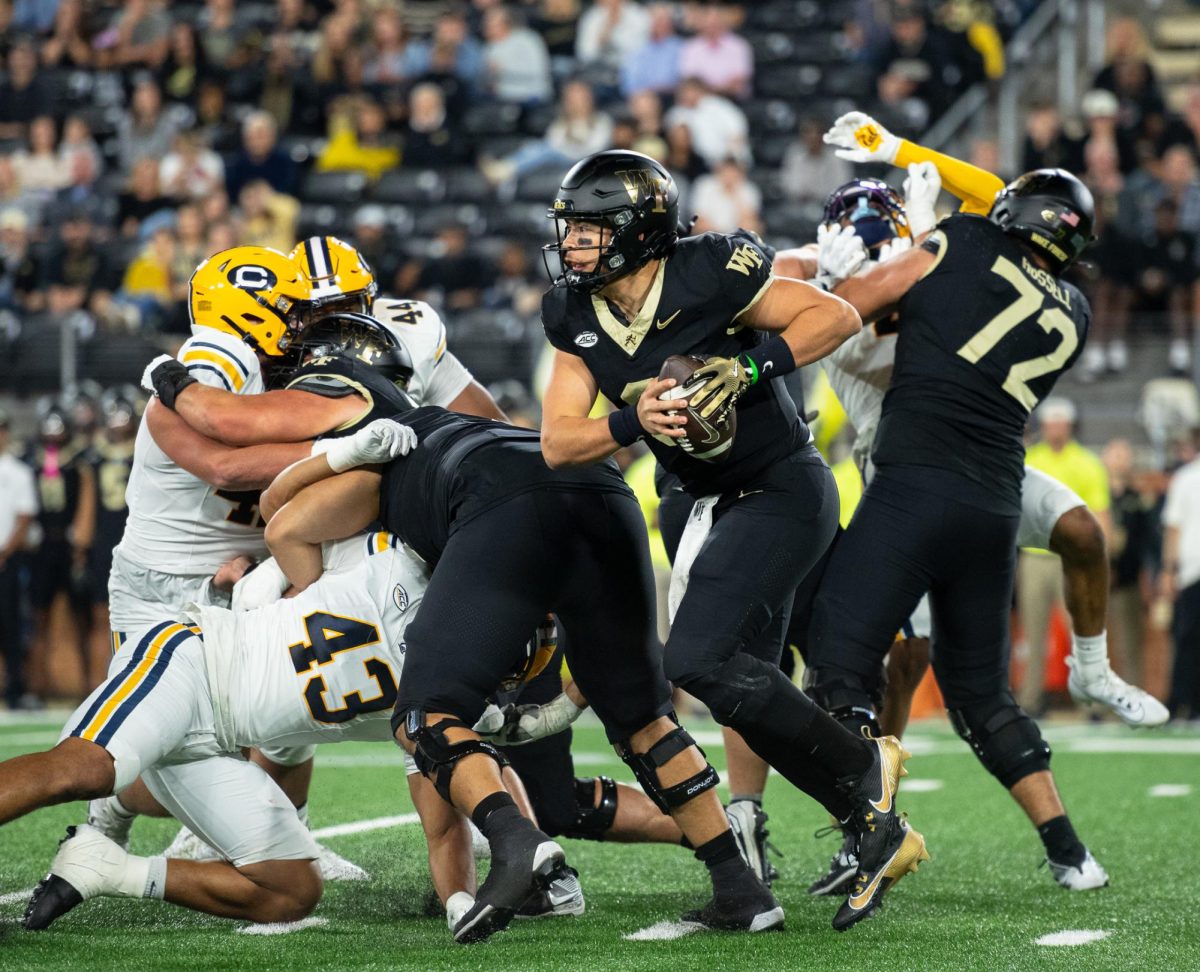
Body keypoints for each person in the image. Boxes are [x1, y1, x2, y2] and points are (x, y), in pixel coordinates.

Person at [537, 149, 927, 931]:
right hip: (709, 499)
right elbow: (557, 440)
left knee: (696, 660)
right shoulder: (575, 314)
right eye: (570, 228)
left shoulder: (709, 269)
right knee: (741, 690)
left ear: (639, 233)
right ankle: (869, 824)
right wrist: (630, 421)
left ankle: (861, 770)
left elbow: (835, 315)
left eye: (589, 228)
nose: (573, 244)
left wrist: (749, 371)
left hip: (784, 486)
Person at [257, 398, 785, 943]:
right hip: (604, 495)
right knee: (646, 720)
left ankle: (515, 844)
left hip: (506, 507)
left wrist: (313, 593)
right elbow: (581, 657)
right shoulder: (465, 430)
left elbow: (283, 520)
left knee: (423, 715)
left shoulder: (374, 464)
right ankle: (740, 887)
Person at [812, 109, 1108, 893]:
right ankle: (1072, 854)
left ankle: (871, 834)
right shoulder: (1075, 311)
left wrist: (831, 284)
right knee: (981, 694)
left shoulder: (963, 245)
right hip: (994, 500)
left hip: (912, 481)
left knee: (840, 663)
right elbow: (982, 220)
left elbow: (863, 314)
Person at [11, 516, 428, 931]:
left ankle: (105, 867)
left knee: (292, 890)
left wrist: (461, 899)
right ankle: (111, 797)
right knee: (88, 768)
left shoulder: (461, 691)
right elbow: (273, 550)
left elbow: (438, 800)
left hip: (228, 740)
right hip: (191, 666)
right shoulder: (387, 556)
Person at [1021, 398, 1112, 716]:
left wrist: (1102, 557)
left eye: (1061, 423)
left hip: (1071, 558)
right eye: (1051, 422)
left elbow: (1101, 513)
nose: (1056, 428)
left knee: (1083, 630)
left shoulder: (1087, 463)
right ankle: (1031, 700)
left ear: (1070, 426)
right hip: (1034, 555)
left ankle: (1092, 705)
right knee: (1033, 633)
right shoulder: (1029, 459)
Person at [1161, 428, 1200, 720]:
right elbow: (1173, 528)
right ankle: (1180, 703)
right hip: (1192, 571)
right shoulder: (1186, 478)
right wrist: (1169, 570)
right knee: (1187, 639)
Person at [0, 408, 37, 709]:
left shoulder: (19, 471)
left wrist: (5, 552)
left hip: (6, 560)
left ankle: (14, 689)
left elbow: (24, 518)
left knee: (11, 626)